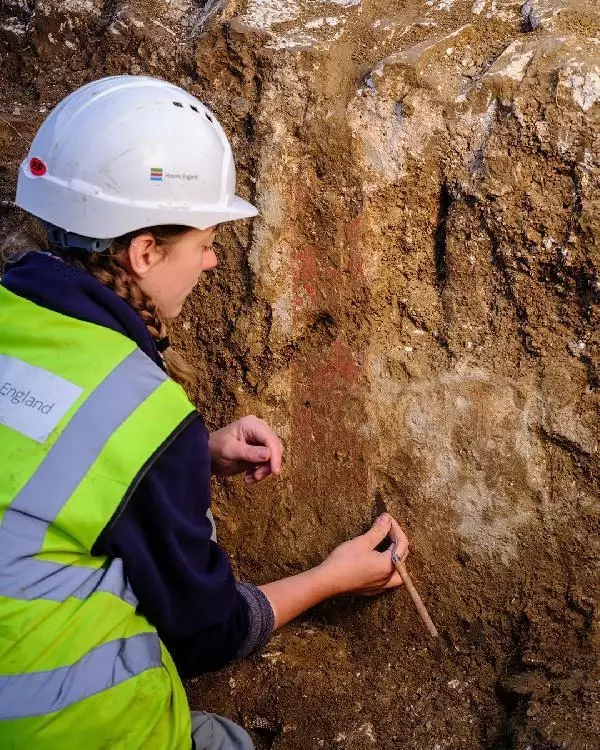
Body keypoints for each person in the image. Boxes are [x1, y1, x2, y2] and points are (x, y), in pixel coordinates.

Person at [0, 75, 409, 750]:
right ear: (144, 252)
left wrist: (192, 455)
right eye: (204, 242)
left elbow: (38, 456)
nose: (214, 262)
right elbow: (204, 631)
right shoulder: (142, 413)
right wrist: (333, 578)